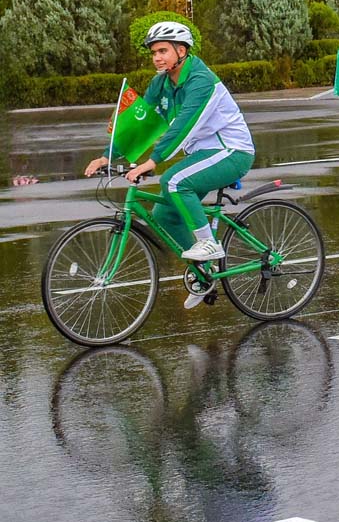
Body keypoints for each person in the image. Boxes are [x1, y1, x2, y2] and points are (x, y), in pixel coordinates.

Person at [85, 21, 255, 309]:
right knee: (164, 214)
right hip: (202, 155)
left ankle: (209, 245)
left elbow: (182, 128)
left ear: (181, 50)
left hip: (231, 151)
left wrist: (151, 162)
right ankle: (205, 272)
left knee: (174, 181)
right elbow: (140, 125)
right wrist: (107, 156)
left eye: (162, 50)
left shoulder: (201, 81)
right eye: (153, 52)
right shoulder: (161, 83)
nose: (156, 58)